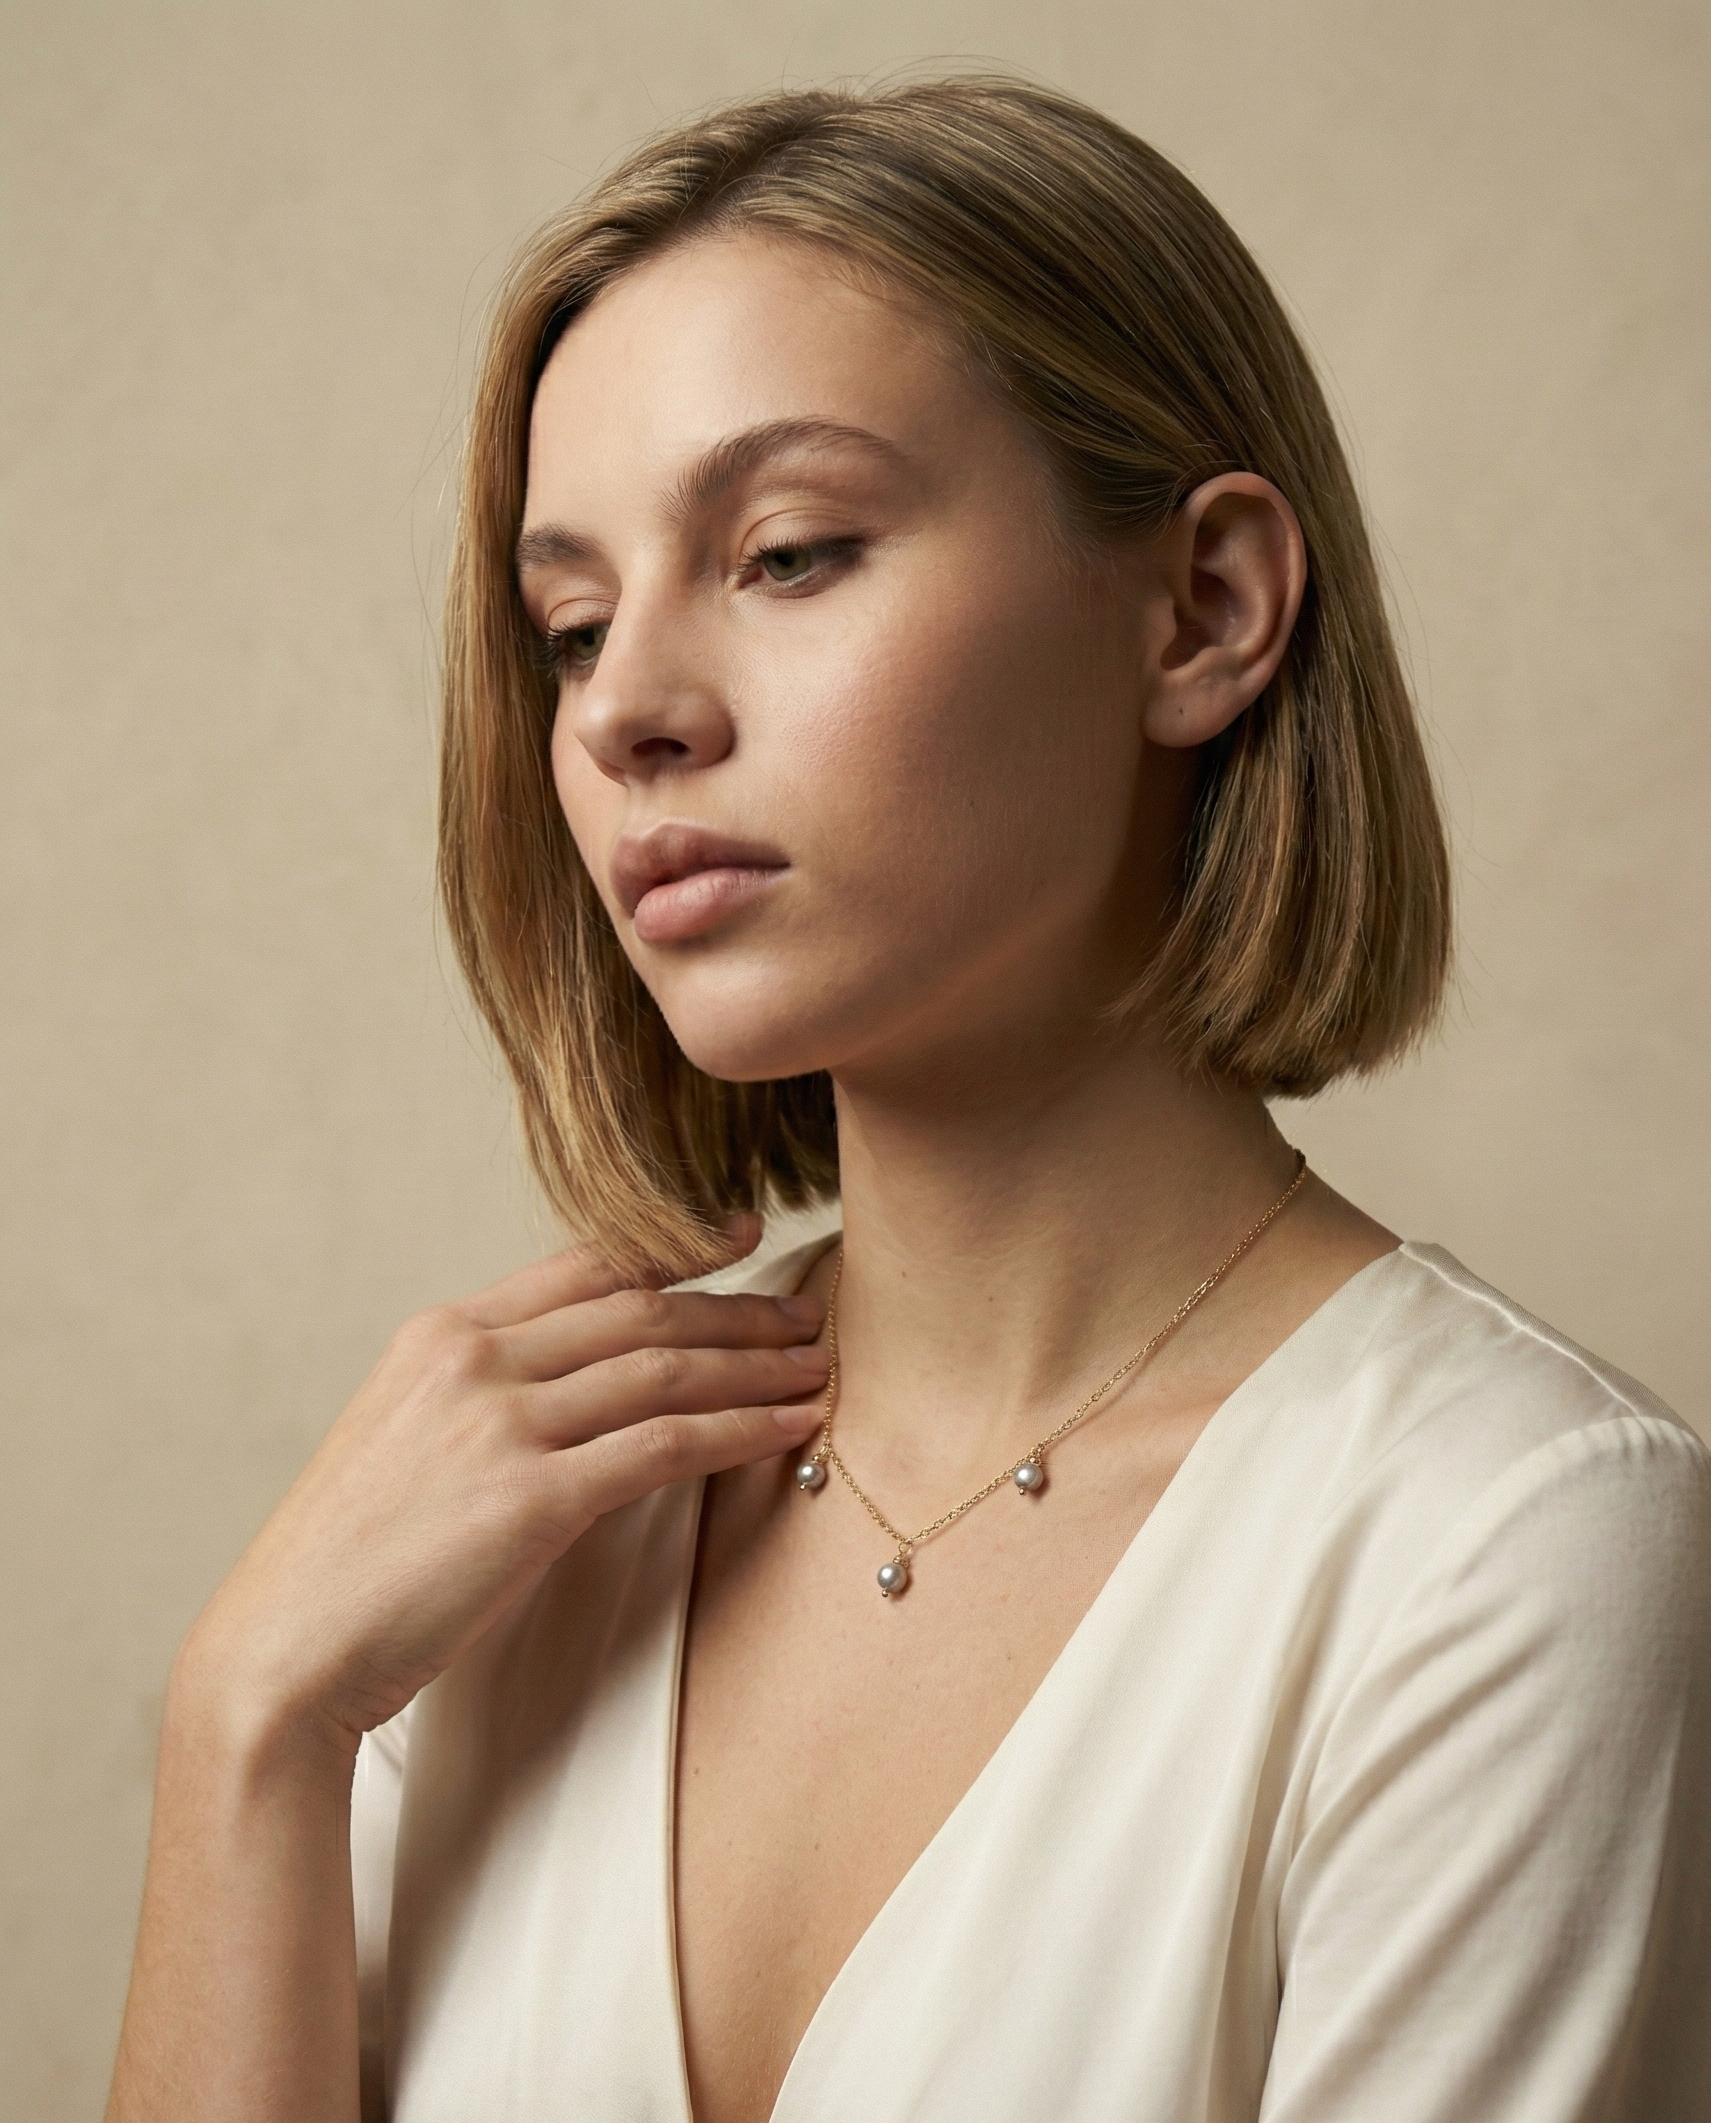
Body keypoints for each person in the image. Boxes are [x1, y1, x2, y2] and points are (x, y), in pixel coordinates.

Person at [106, 77, 1710, 2123]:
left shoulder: (1502, 1542)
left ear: (1206, 607)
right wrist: (250, 1721)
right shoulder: (507, 1548)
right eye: (571, 627)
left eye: (787, 552)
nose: (624, 709)